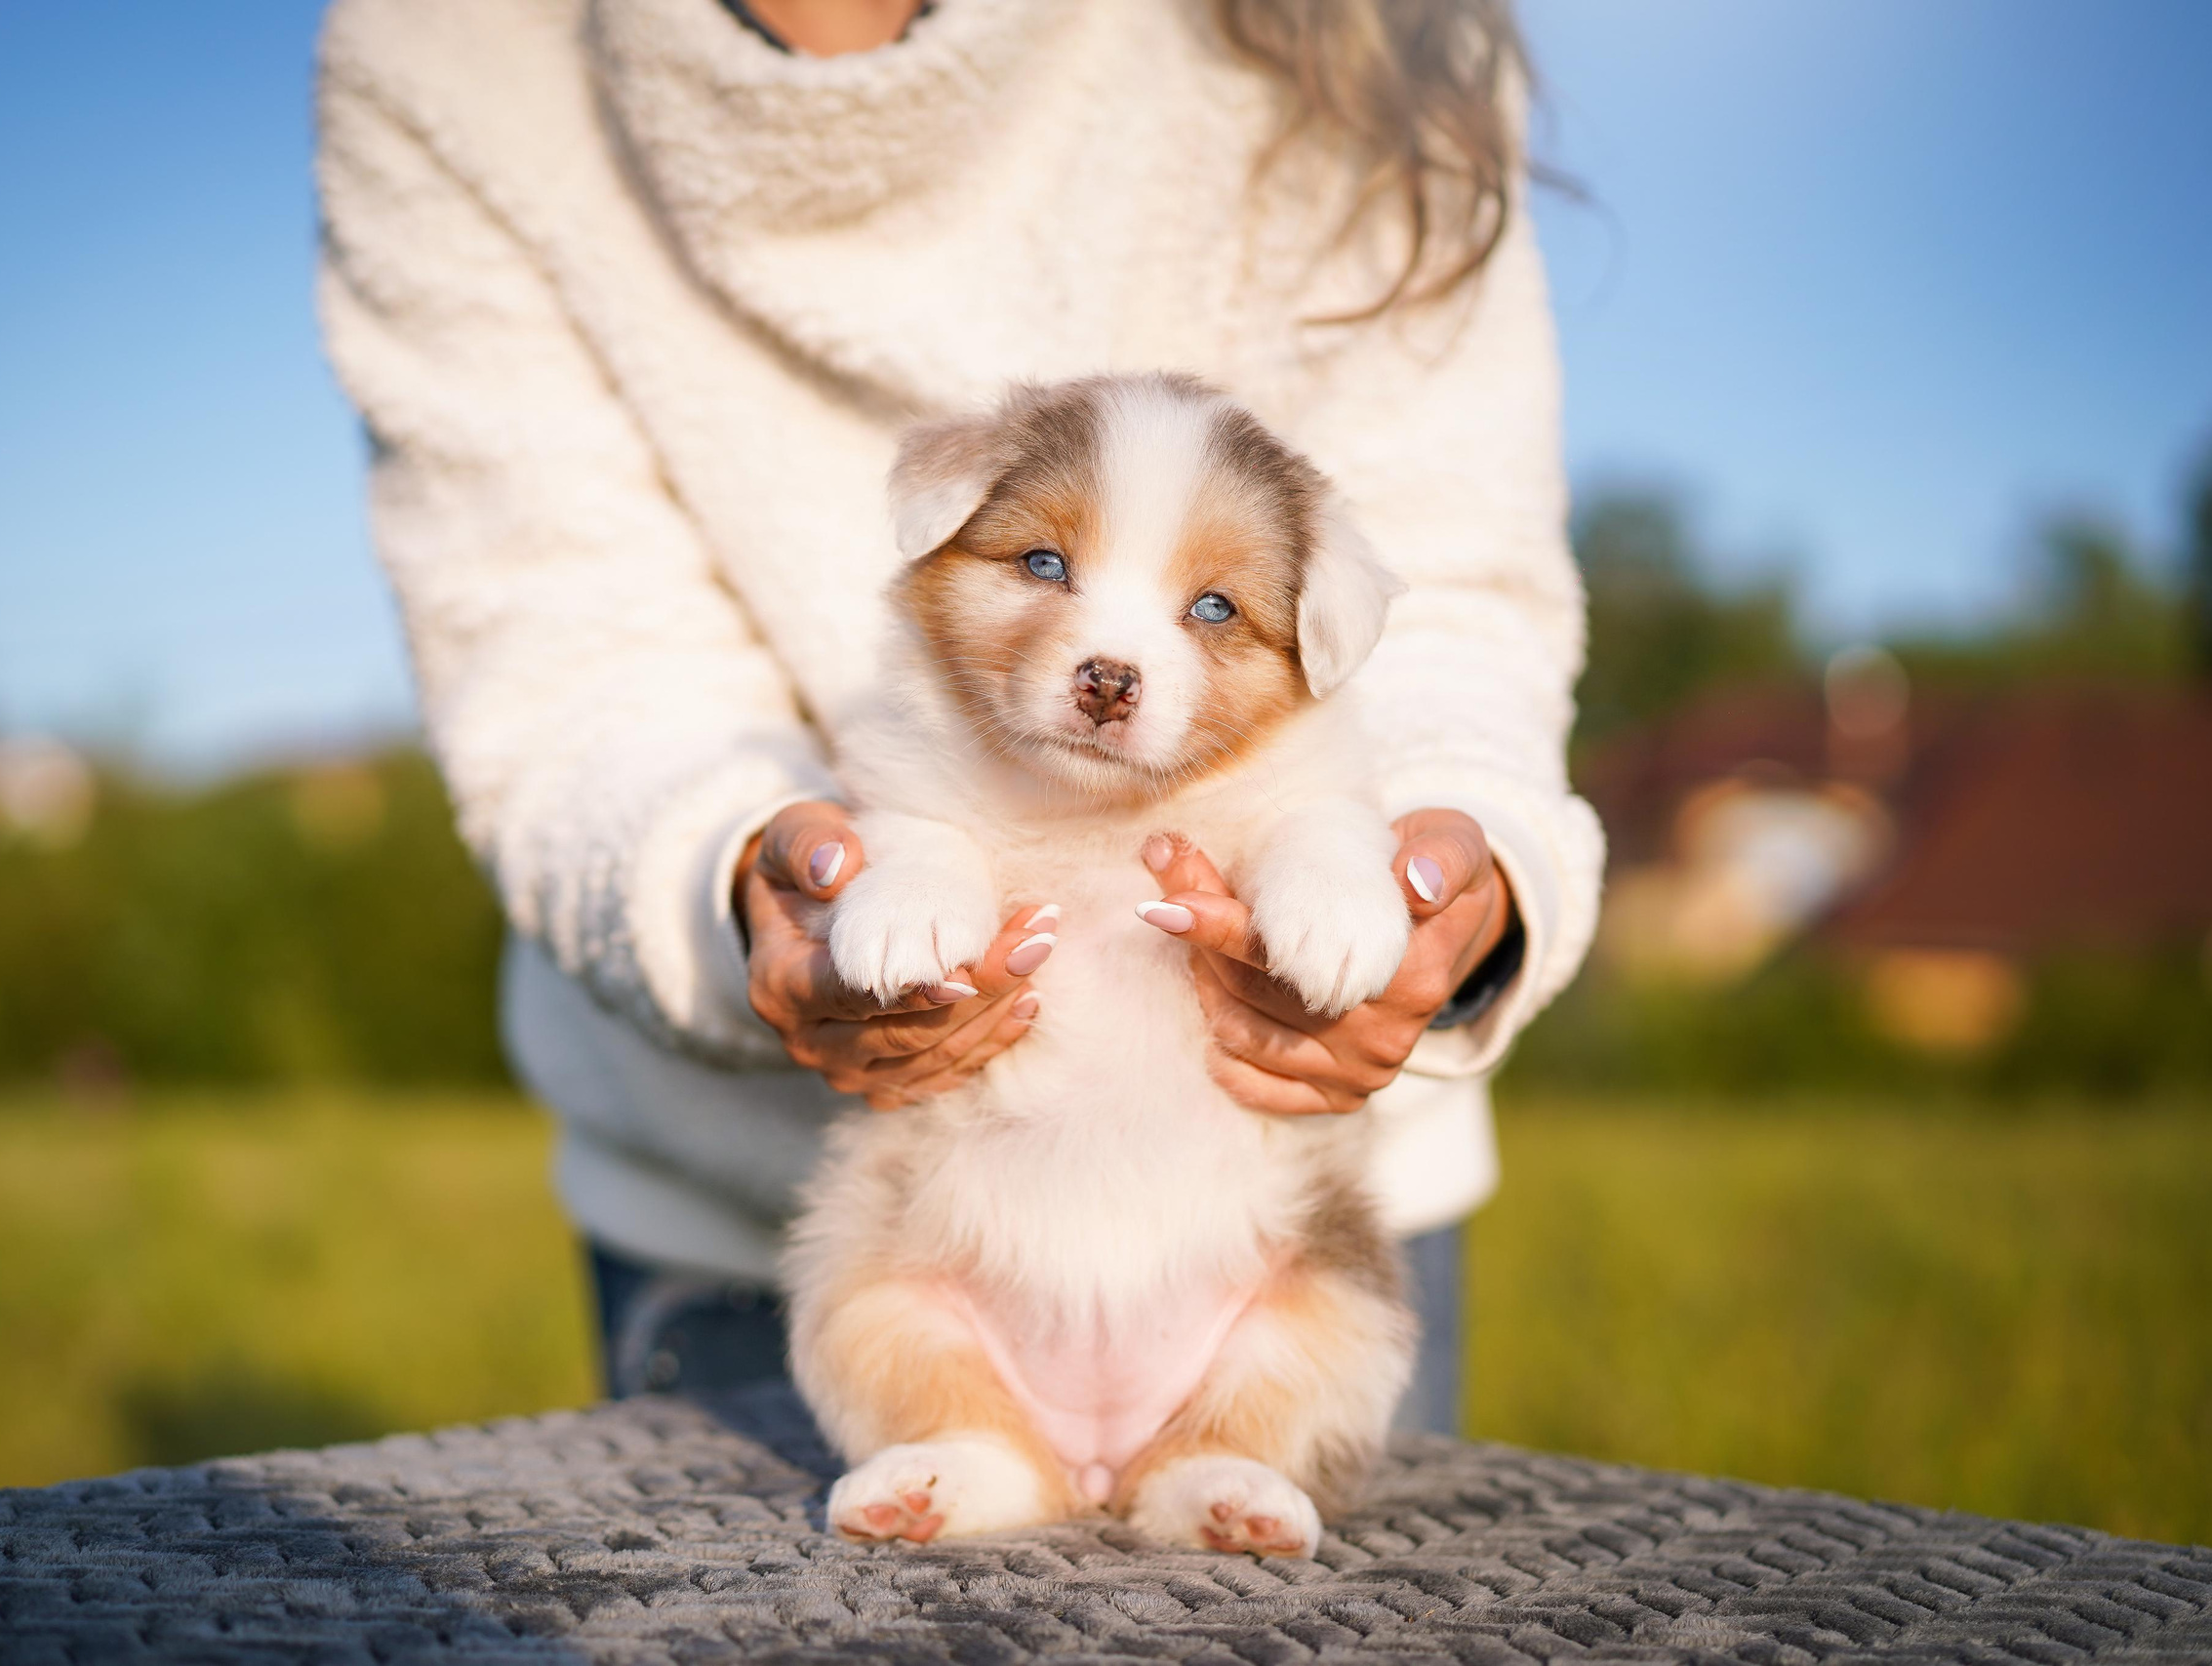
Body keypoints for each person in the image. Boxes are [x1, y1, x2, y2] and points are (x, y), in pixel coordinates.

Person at [313, 0, 1603, 1438]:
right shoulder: (453, 48)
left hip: (1279, 1229)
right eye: (1045, 566)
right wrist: (745, 882)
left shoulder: (1368, 31)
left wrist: (1445, 884)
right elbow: (563, 653)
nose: (1112, 662)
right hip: (829, 1239)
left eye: (1205, 611)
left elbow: (1457, 589)